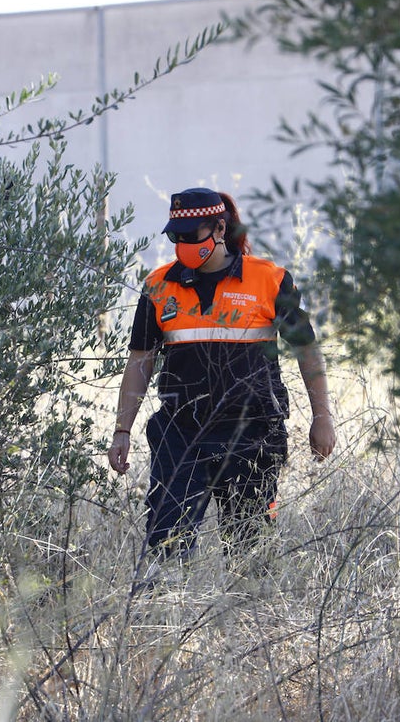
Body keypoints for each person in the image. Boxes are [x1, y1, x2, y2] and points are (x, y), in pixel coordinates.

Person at [107, 187, 336, 570]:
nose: (182, 244)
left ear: (218, 228)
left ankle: (248, 606)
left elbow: (307, 350)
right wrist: (122, 430)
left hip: (253, 432)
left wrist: (322, 417)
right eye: (175, 236)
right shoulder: (159, 286)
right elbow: (140, 362)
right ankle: (167, 603)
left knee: (251, 551)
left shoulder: (269, 279)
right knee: (166, 543)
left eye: (190, 235)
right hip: (180, 432)